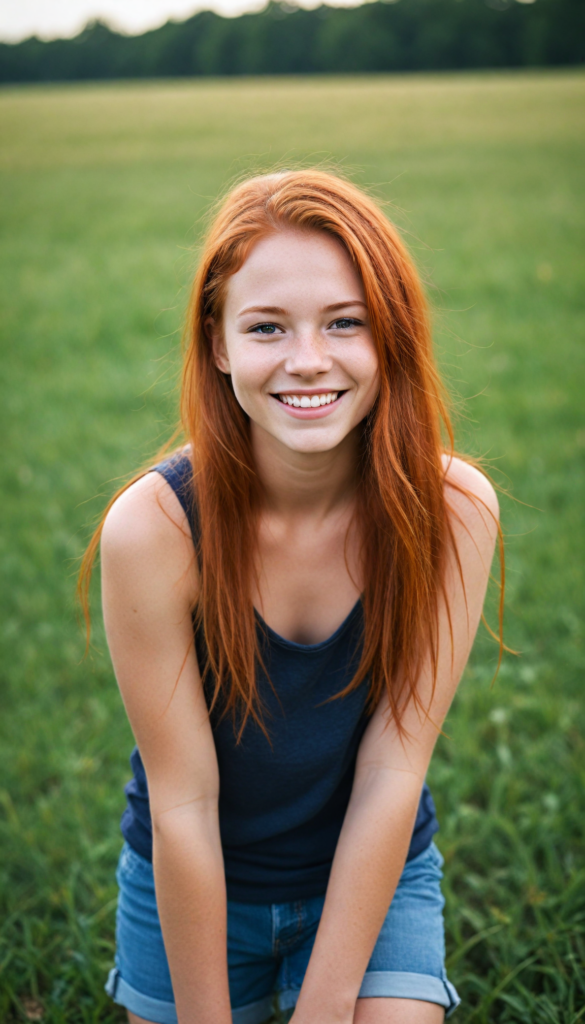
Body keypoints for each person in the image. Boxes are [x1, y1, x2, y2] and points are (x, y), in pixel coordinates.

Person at [80, 169, 500, 1024]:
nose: (308, 360)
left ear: (391, 334)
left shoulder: (452, 510)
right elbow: (185, 803)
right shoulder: (154, 530)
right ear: (220, 342)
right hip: (196, 888)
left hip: (369, 877)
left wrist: (326, 1006)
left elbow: (393, 770)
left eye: (345, 322)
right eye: (267, 326)